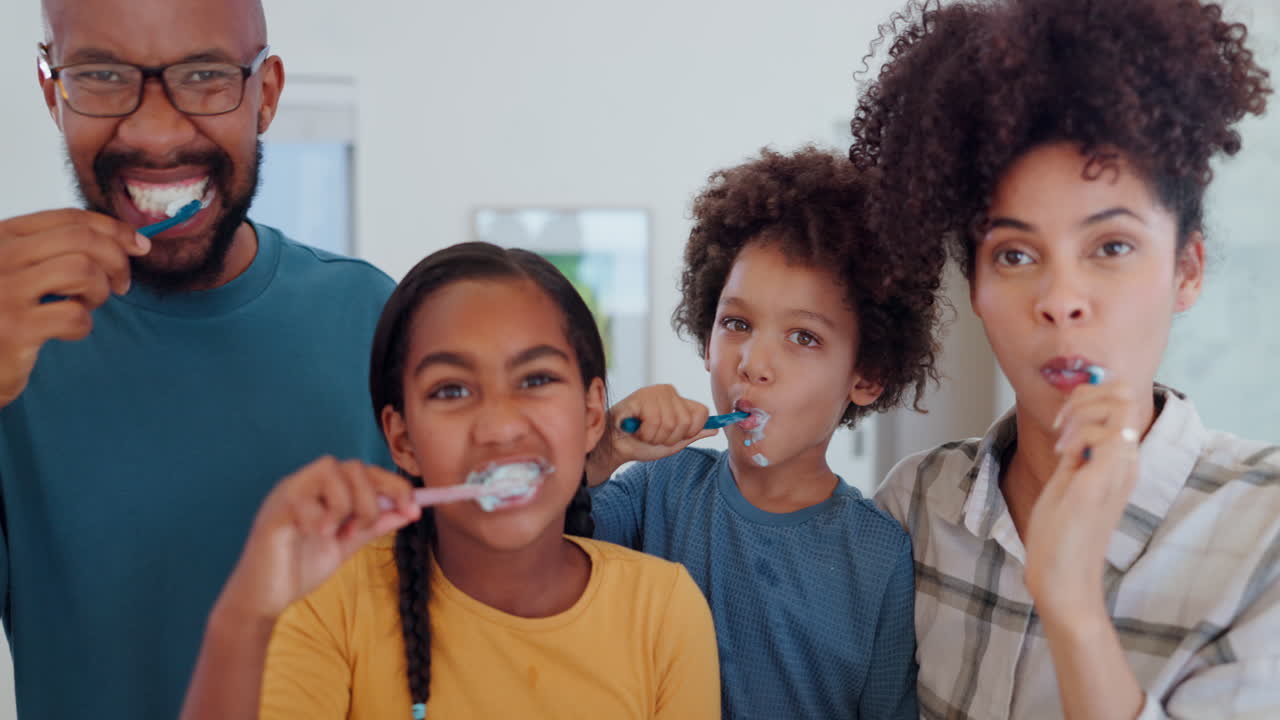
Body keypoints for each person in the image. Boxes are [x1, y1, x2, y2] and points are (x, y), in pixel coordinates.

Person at [850, 1, 1279, 717]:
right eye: (1015, 255)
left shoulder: (1262, 532)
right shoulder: (914, 506)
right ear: (978, 289)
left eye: (1110, 247)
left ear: (1188, 271)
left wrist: (1072, 602)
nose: (1060, 300)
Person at [0, 1, 394, 717]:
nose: (154, 130)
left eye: (206, 74)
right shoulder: (14, 339)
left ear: (265, 94)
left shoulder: (375, 319)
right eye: (102, 74)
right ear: (52, 92)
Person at [179, 241, 721, 719]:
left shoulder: (663, 609)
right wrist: (246, 614)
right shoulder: (331, 602)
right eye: (452, 391)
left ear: (592, 414)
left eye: (535, 379)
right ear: (402, 440)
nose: (500, 427)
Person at [587, 147, 945, 719]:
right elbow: (533, 540)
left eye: (803, 337)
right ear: (707, 341)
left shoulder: (879, 555)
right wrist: (605, 447)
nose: (753, 362)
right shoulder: (654, 492)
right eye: (737, 324)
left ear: (868, 375)